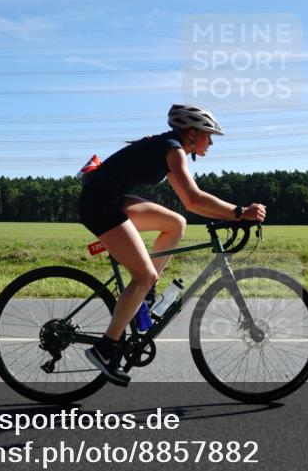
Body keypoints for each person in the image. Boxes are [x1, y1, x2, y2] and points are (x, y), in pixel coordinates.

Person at [78, 104, 267, 386]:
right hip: (100, 204)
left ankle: (145, 295)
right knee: (144, 274)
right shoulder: (173, 148)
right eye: (209, 135)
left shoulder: (169, 147)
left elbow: (190, 204)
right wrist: (239, 212)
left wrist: (233, 216)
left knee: (176, 223)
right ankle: (105, 350)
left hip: (110, 198)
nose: (211, 142)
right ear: (192, 134)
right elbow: (193, 198)